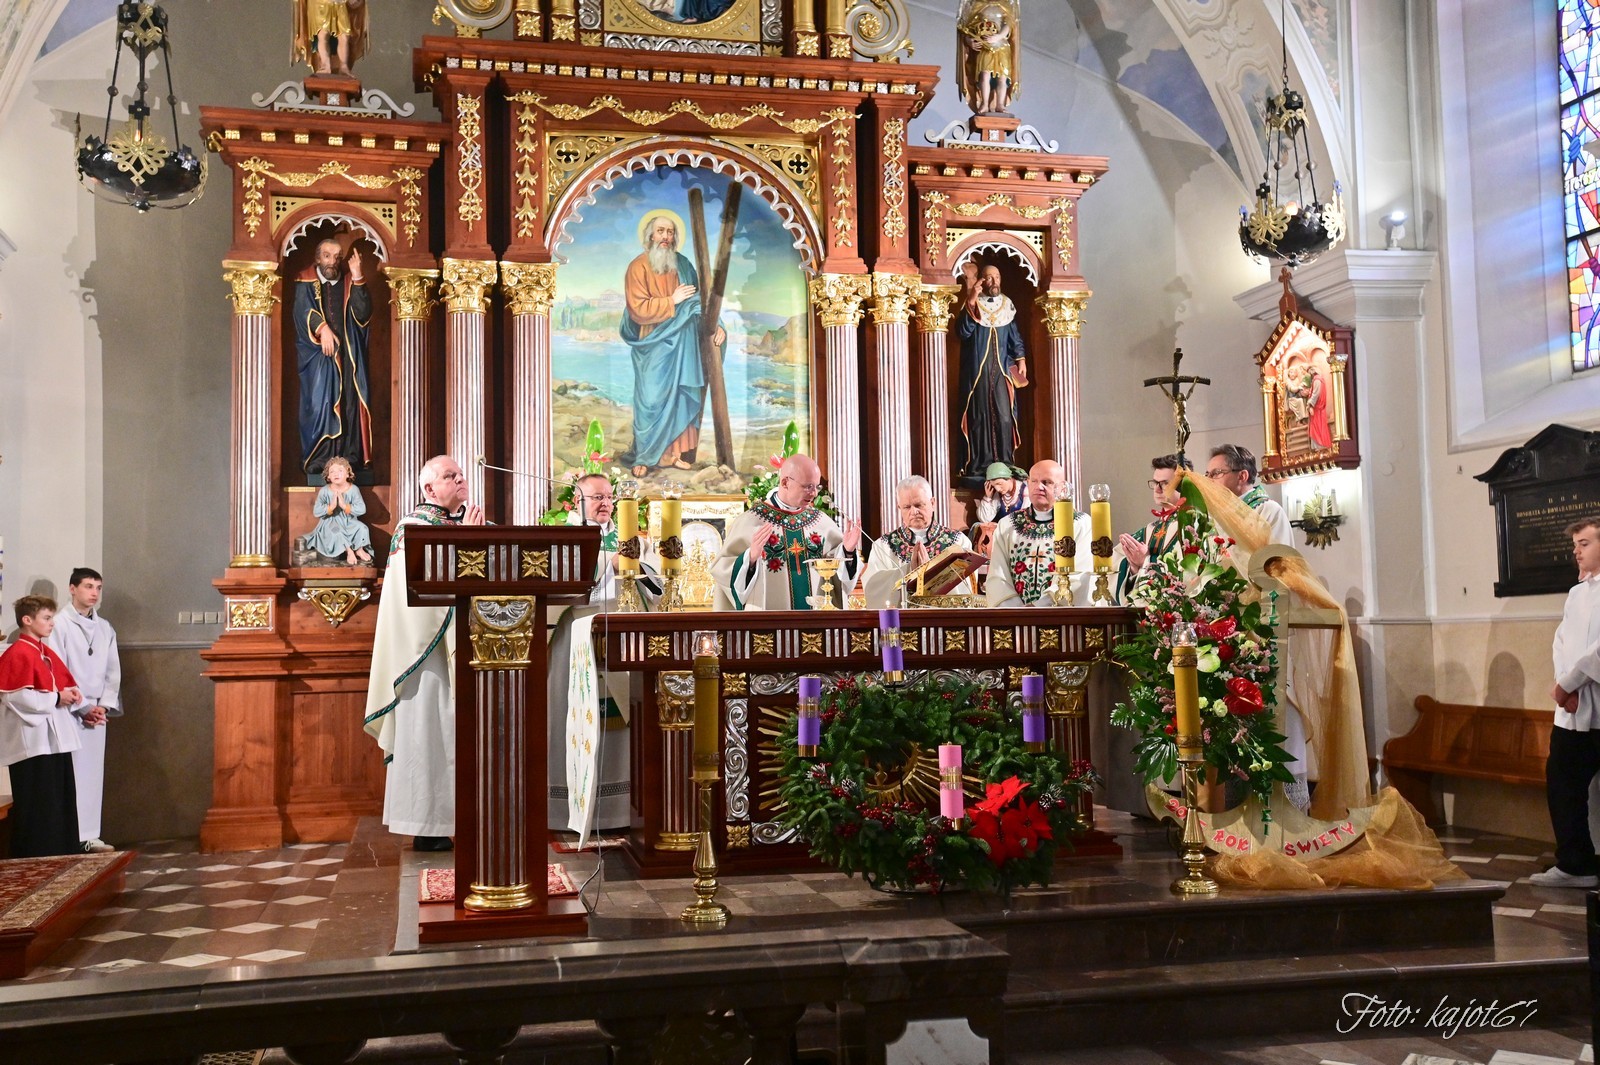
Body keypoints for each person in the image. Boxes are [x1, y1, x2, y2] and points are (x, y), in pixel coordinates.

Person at [362, 456, 484, 852]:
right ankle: (427, 825)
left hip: (459, 645)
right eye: (450, 475)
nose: (460, 479)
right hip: (425, 654)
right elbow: (422, 586)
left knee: (452, 733)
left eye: (461, 474)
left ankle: (461, 820)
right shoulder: (413, 527)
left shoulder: (457, 525)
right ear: (429, 489)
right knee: (430, 733)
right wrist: (469, 542)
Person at [546, 473, 663, 832]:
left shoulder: (632, 539)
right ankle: (567, 810)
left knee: (626, 725)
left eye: (609, 497)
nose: (606, 503)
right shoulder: (562, 537)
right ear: (576, 501)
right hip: (577, 641)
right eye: (597, 497)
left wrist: (634, 565)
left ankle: (620, 810)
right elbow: (557, 583)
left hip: (624, 640)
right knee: (575, 718)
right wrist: (606, 565)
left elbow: (657, 585)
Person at [620, 210, 726, 477]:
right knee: (651, 400)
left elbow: (701, 301)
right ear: (650, 236)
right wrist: (672, 301)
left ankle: (675, 454)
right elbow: (637, 309)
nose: (665, 236)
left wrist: (719, 326)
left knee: (681, 394)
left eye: (670, 232)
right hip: (653, 342)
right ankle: (646, 456)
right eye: (660, 231)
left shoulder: (684, 265)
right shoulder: (638, 267)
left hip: (684, 343)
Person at [1534, 518, 1600, 888]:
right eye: (1575, 544)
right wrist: (1565, 686)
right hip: (1572, 712)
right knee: (1563, 786)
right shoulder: (1576, 593)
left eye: (1584, 543)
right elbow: (1561, 642)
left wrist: (1570, 683)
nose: (1576, 551)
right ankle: (1576, 865)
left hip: (1596, 703)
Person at [713, 454, 862, 610]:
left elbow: (838, 577)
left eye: (816, 487)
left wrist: (847, 551)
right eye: (808, 486)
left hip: (816, 620)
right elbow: (723, 571)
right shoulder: (750, 522)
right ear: (785, 482)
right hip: (769, 622)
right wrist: (749, 559)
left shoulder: (823, 522)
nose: (814, 493)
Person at [0, 595, 88, 858]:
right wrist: (57, 698)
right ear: (27, 620)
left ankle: (63, 853)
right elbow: (16, 696)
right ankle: (39, 857)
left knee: (60, 801)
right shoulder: (18, 653)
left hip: (54, 742)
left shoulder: (44, 652)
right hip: (33, 744)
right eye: (47, 618)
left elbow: (60, 686)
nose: (52, 623)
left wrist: (77, 701)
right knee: (40, 806)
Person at [48, 568, 121, 854]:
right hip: (70, 709)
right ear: (72, 588)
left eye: (98, 587)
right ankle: (72, 835)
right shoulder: (59, 624)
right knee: (73, 774)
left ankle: (91, 834)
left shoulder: (105, 628)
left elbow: (113, 670)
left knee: (93, 775)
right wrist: (82, 707)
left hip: (97, 712)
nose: (94, 593)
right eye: (88, 586)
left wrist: (103, 705)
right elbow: (57, 668)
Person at [292, 235, 372, 479]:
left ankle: (349, 458)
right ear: (318, 258)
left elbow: (363, 314)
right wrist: (322, 328)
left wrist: (358, 276)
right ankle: (320, 458)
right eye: (327, 256)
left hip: (348, 356)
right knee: (320, 403)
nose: (332, 262)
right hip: (319, 357)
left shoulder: (348, 282)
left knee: (349, 403)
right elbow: (301, 311)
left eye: (337, 257)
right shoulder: (305, 280)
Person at [956, 264, 1029, 485]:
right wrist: (971, 301)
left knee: (1005, 416)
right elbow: (963, 332)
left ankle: (1005, 462)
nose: (994, 281)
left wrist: (1021, 359)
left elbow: (1014, 336)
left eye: (997, 276)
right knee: (980, 417)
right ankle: (980, 464)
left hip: (1002, 371)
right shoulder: (973, 304)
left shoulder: (1007, 305)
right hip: (979, 373)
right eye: (989, 277)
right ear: (982, 281)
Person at [985, 459, 1091, 608]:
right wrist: (1017, 612)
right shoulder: (1007, 525)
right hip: (1016, 617)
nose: (1038, 487)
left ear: (1062, 488)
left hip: (1061, 615)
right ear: (1027, 483)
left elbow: (1081, 574)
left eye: (1047, 482)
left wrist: (1040, 607)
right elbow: (998, 576)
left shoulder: (1080, 524)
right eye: (1034, 481)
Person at [863, 476, 974, 608]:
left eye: (918, 505)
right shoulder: (884, 546)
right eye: (907, 507)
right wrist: (909, 571)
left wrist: (931, 572)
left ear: (932, 503)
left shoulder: (958, 542)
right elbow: (874, 589)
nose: (914, 512)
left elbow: (966, 593)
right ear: (899, 508)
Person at [1114, 454, 1191, 604]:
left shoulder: (1192, 528)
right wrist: (1133, 567)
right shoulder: (1149, 530)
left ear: (1184, 485)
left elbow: (1188, 574)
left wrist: (1145, 561)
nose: (1157, 489)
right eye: (1155, 483)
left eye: (1165, 483)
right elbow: (1116, 564)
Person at [1205, 444, 1293, 545]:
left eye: (1216, 473)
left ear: (1242, 476)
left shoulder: (1268, 511)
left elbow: (1278, 554)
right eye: (1207, 474)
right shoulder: (1214, 515)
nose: (1209, 480)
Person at [306, 456, 373, 565]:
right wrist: (331, 507)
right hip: (329, 522)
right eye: (332, 472)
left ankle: (359, 549)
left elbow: (362, 509)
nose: (336, 474)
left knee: (362, 528)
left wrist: (344, 506)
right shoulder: (325, 491)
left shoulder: (353, 489)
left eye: (340, 471)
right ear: (328, 476)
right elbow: (316, 511)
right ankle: (349, 551)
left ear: (347, 473)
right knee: (337, 531)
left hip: (348, 521)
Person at [292, 0, 369, 76]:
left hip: (340, 3)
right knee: (323, 34)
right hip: (320, 3)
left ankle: (343, 66)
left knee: (344, 36)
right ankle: (325, 65)